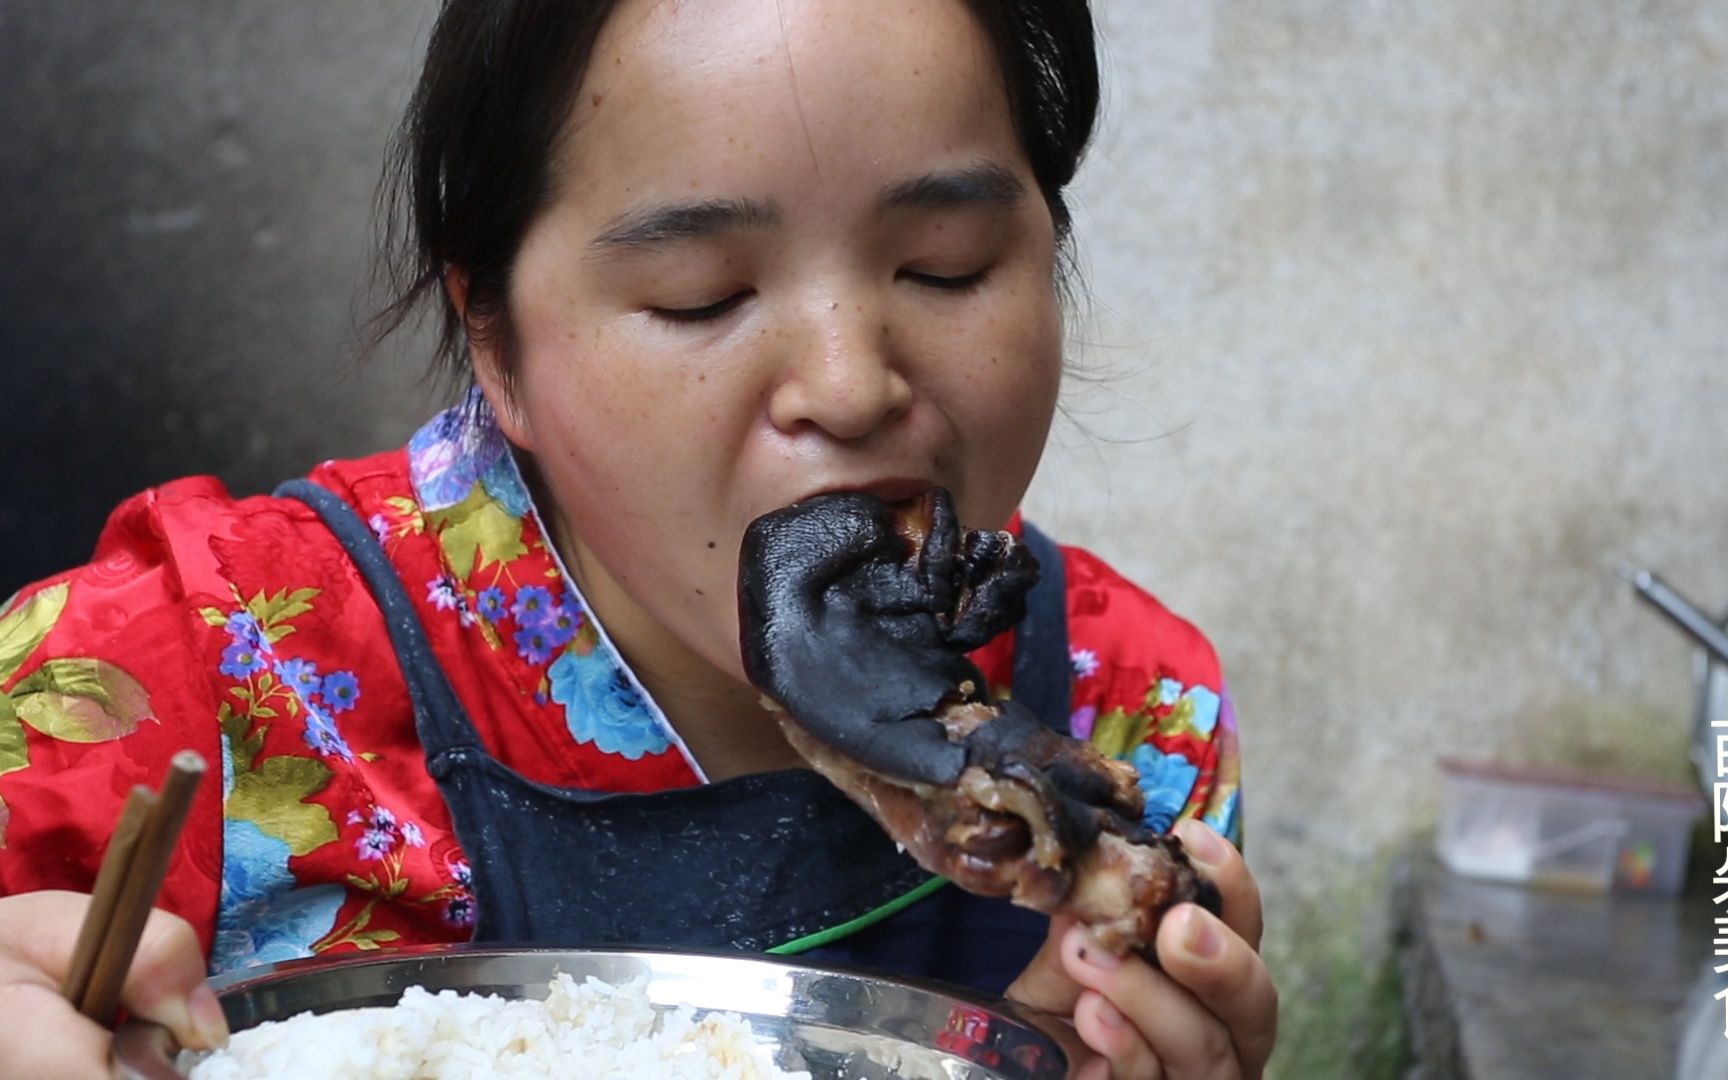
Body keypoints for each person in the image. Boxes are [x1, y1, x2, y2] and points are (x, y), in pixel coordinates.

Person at [0, 0, 1278, 1076]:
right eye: (701, 296)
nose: (847, 383)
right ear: (496, 341)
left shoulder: (1125, 725)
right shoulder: (172, 674)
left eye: (943, 267)